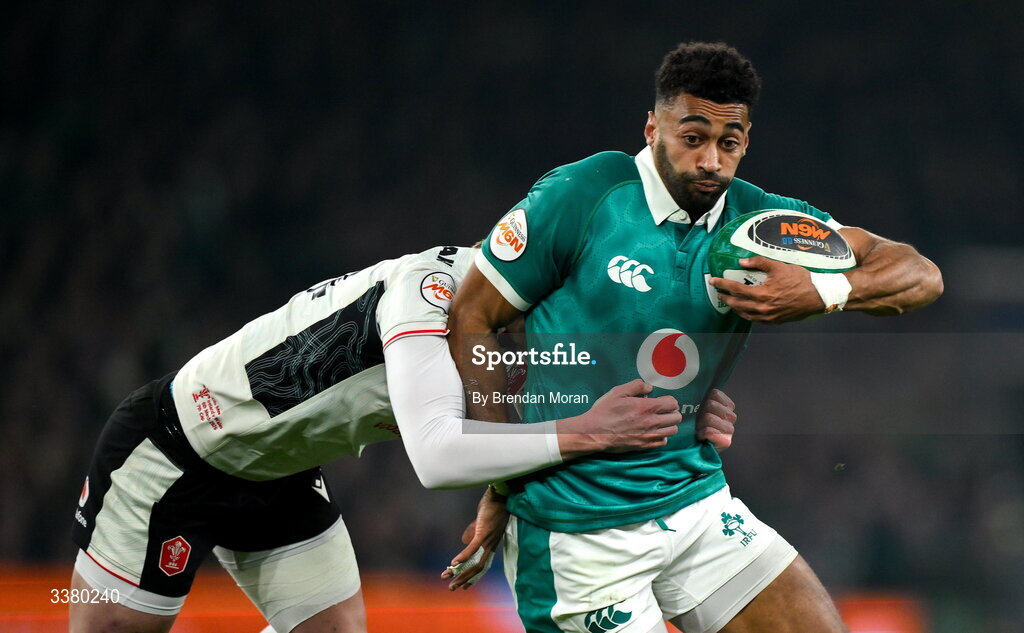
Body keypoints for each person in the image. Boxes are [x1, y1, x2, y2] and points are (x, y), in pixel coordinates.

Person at [447, 41, 943, 633]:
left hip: (696, 507)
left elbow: (919, 274)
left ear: (747, 141)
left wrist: (821, 291)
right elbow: (472, 317)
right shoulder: (583, 195)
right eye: (693, 137)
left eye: (728, 143)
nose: (711, 160)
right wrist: (501, 475)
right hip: (578, 533)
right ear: (654, 127)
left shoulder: (762, 225)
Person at [69, 243, 738, 633]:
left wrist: (690, 414)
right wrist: (584, 430)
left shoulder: (522, 320)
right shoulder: (429, 292)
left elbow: (608, 394)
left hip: (281, 477)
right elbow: (438, 452)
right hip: (171, 455)